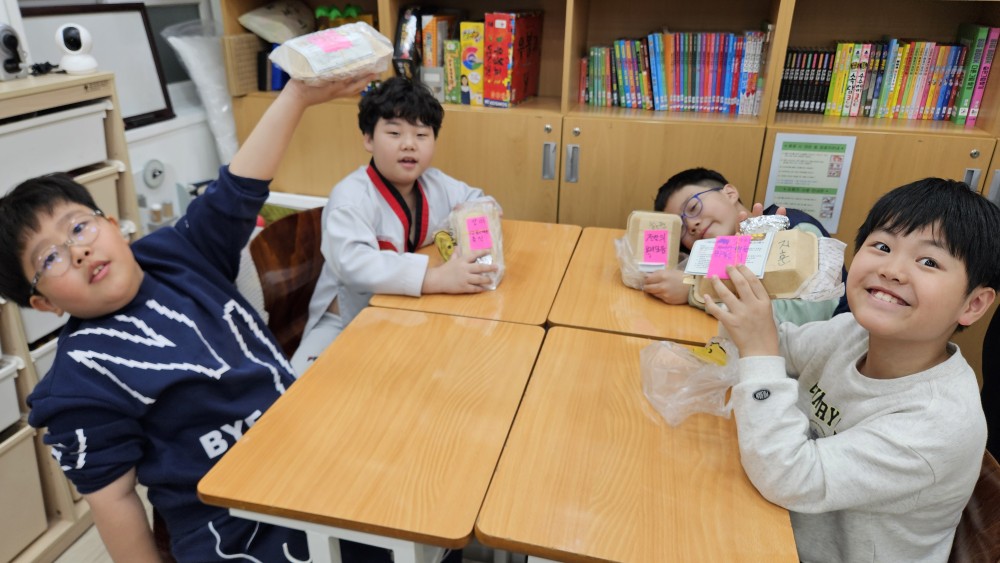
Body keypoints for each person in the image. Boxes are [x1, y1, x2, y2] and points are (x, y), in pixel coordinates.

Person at [3, 75, 387, 562]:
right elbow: (115, 502)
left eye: (79, 227)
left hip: (313, 461)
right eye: (50, 258)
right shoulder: (77, 384)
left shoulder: (178, 252)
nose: (77, 250)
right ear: (44, 304)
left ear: (112, 225)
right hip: (239, 531)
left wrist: (297, 96)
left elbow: (239, 186)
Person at [704, 178, 999, 562]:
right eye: (882, 246)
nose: (892, 270)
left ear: (973, 305)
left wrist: (758, 347)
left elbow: (789, 478)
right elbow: (757, 350)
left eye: (929, 261)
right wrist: (744, 283)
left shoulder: (939, 421)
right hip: (773, 520)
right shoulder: (852, 332)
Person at [291, 76, 498, 374]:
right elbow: (355, 264)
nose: (409, 145)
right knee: (300, 390)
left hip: (405, 311)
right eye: (394, 132)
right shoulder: (351, 197)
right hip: (346, 320)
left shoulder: (434, 183)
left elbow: (480, 202)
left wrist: (474, 252)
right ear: (368, 139)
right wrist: (436, 279)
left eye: (422, 135)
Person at [644, 167, 849, 324]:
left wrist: (695, 293)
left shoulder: (796, 229)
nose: (691, 225)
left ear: (730, 193)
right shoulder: (720, 255)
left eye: (693, 207)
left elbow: (811, 315)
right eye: (681, 227)